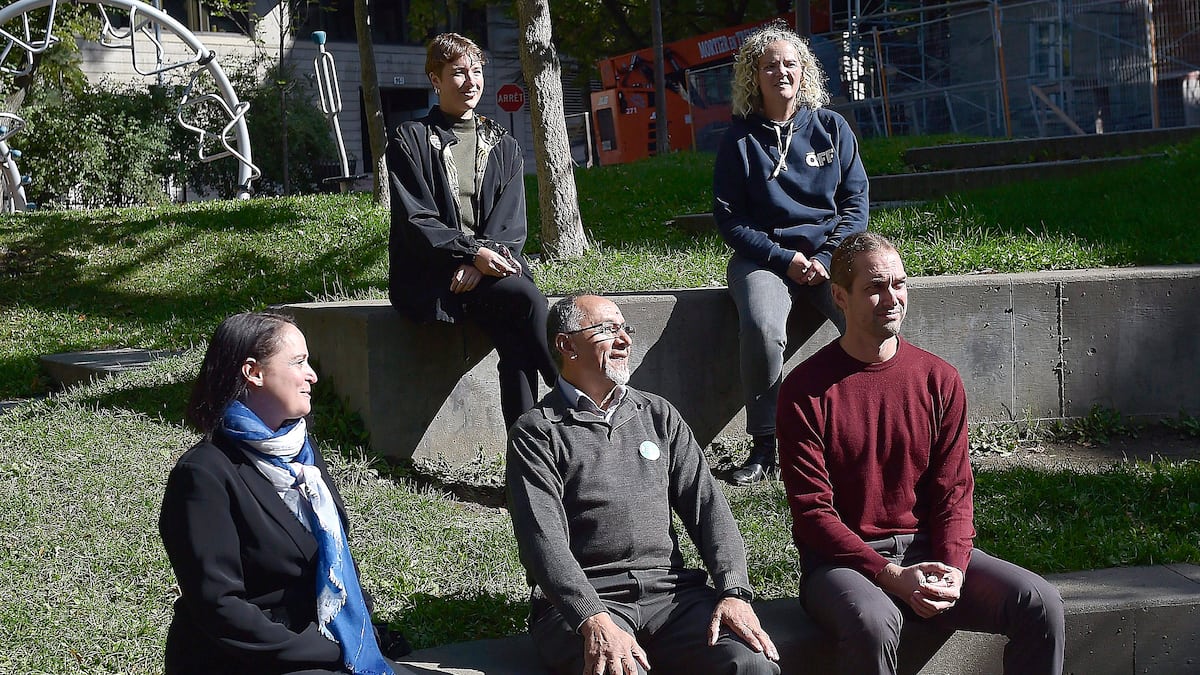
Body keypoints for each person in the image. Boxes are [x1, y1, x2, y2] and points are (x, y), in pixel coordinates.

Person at [776, 233, 1065, 675]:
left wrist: (953, 569)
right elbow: (814, 516)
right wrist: (890, 576)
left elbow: (954, 492)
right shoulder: (805, 390)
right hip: (841, 567)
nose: (891, 298)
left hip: (928, 550)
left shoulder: (939, 379)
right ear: (839, 296)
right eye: (874, 287)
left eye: (900, 284)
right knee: (874, 623)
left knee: (1039, 602)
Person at [506, 294, 781, 675]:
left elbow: (709, 510)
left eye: (625, 329)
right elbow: (542, 543)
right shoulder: (538, 432)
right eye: (607, 330)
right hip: (588, 602)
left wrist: (734, 591)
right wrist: (593, 618)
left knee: (751, 664)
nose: (624, 340)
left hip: (672, 595)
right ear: (567, 345)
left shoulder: (657, 415)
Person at [160, 312, 407, 675]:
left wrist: (354, 629)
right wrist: (326, 650)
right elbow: (219, 607)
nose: (313, 375)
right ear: (253, 372)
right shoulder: (203, 474)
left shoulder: (303, 455)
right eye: (298, 362)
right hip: (247, 661)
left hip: (321, 645)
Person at [712, 22, 869, 485]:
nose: (781, 71)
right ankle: (765, 447)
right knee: (762, 328)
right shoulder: (739, 139)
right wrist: (786, 260)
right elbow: (730, 220)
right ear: (753, 77)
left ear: (804, 72)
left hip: (830, 255)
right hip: (764, 258)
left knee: (868, 317)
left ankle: (860, 438)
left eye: (789, 64)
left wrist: (826, 256)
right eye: (769, 66)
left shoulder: (831, 127)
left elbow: (855, 203)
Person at [388, 32, 555, 430]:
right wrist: (469, 254)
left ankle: (525, 460)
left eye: (477, 71)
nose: (471, 81)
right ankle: (568, 389)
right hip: (433, 278)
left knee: (515, 337)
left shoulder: (504, 144)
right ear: (435, 80)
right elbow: (417, 220)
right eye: (458, 73)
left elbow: (511, 225)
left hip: (486, 273)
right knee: (527, 299)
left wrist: (480, 262)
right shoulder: (409, 139)